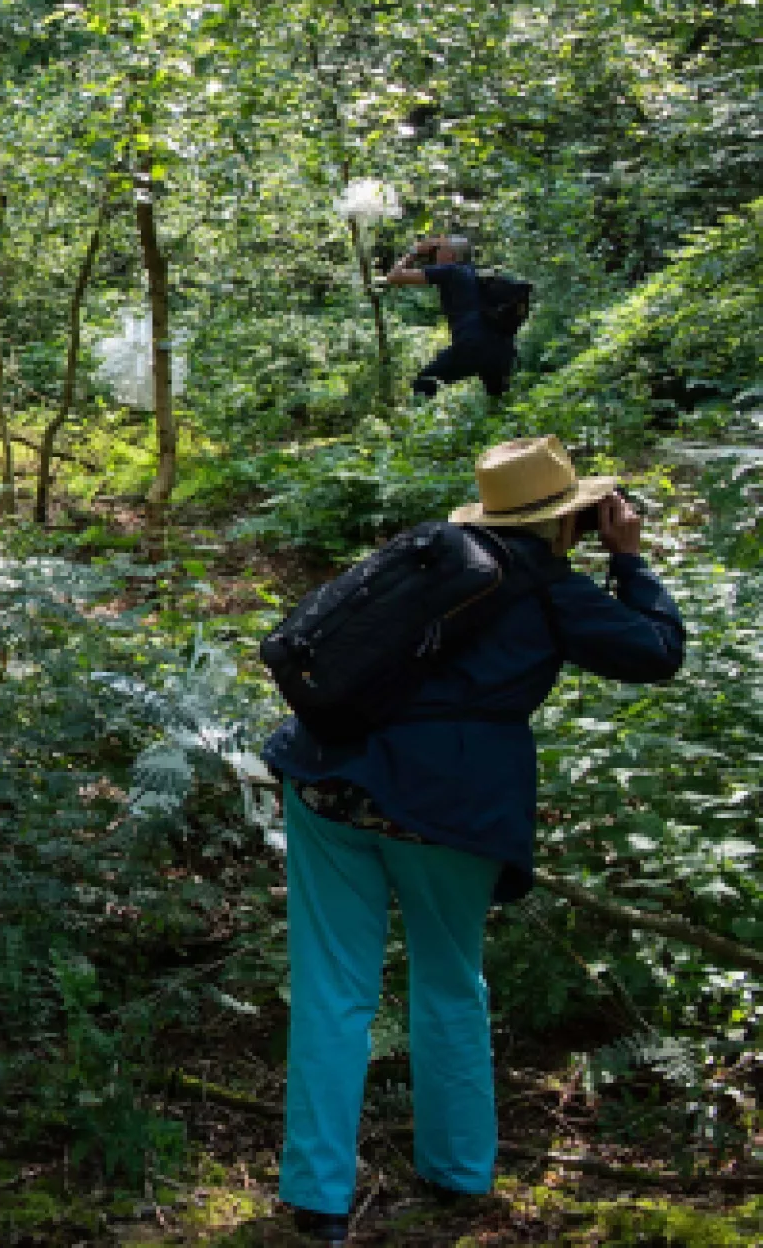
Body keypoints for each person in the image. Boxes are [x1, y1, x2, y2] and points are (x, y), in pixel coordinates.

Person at [263, 436, 686, 1244]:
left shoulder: (429, 556)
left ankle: (317, 1202)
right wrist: (628, 559)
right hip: (447, 804)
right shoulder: (555, 591)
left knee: (331, 992)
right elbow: (658, 651)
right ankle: (456, 1175)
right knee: (450, 983)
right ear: (570, 520)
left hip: (325, 778)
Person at [385, 235, 515, 400]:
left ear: (451, 255)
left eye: (439, 249)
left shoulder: (451, 270)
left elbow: (393, 276)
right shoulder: (474, 273)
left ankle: (416, 424)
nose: (435, 254)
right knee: (499, 402)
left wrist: (415, 251)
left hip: (472, 344)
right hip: (501, 345)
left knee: (424, 384)